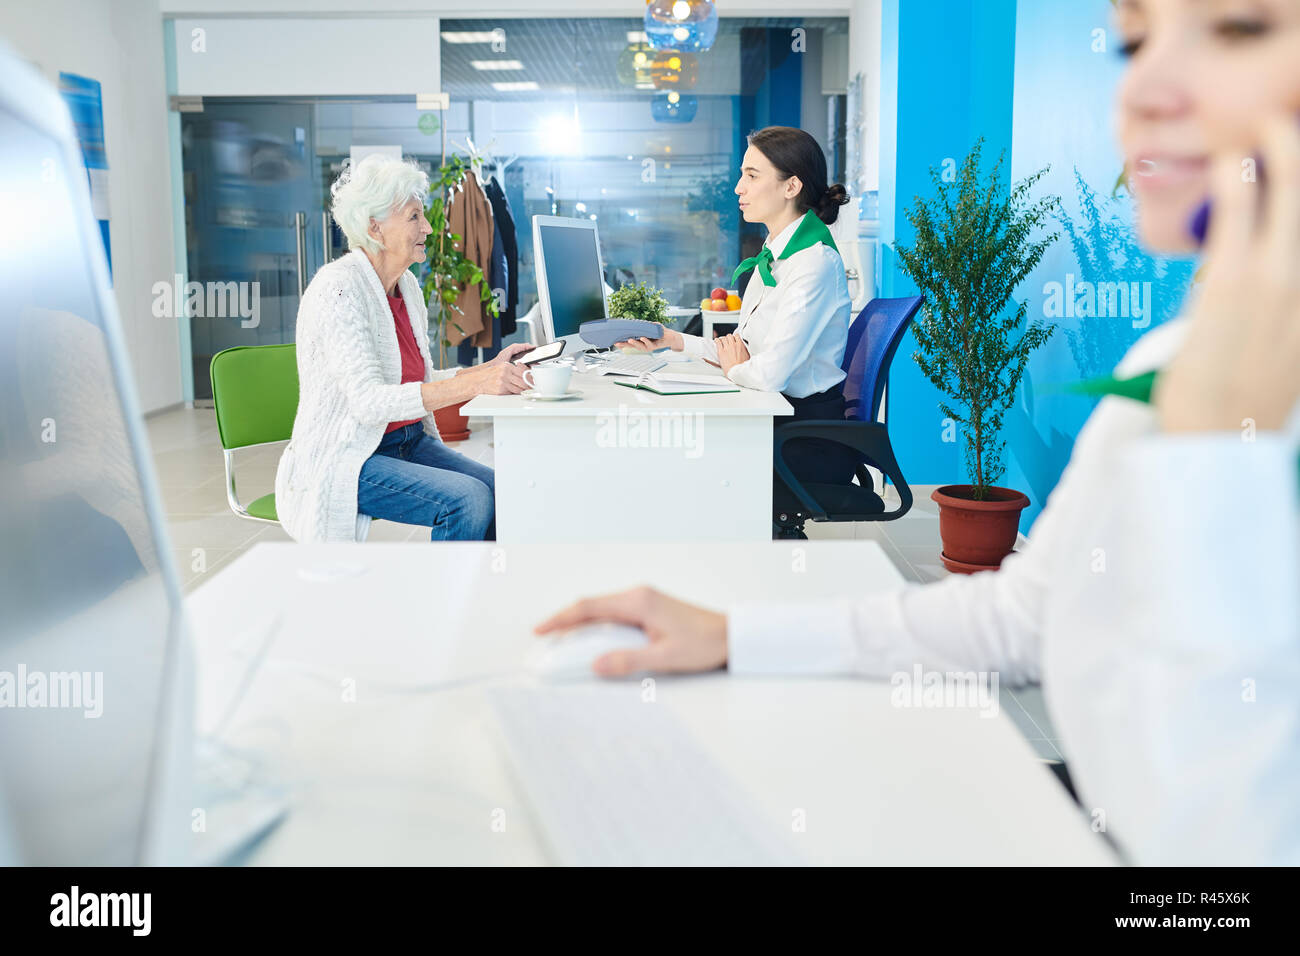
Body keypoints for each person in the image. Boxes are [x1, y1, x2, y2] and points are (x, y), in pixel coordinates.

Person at [536, 0, 1300, 864]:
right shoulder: (1178, 360)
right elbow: (1021, 618)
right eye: (1133, 41)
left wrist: (1216, 456)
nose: (1143, 88)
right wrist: (735, 635)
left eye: (1241, 29)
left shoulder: (1207, 385)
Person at [275, 154, 532, 543]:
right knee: (468, 500)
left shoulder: (406, 286)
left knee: (504, 491)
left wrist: (485, 371)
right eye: (414, 217)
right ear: (375, 227)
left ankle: (483, 594)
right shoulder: (339, 289)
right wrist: (474, 385)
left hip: (406, 442)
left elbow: (419, 380)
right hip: (348, 456)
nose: (428, 227)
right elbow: (369, 403)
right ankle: (446, 603)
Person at [620, 126, 857, 490]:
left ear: (791, 186)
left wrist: (739, 365)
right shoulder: (773, 256)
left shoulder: (813, 264)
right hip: (772, 420)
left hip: (802, 440)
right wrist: (672, 340)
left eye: (751, 175)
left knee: (666, 460)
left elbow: (767, 373)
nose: (738, 188)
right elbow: (742, 355)